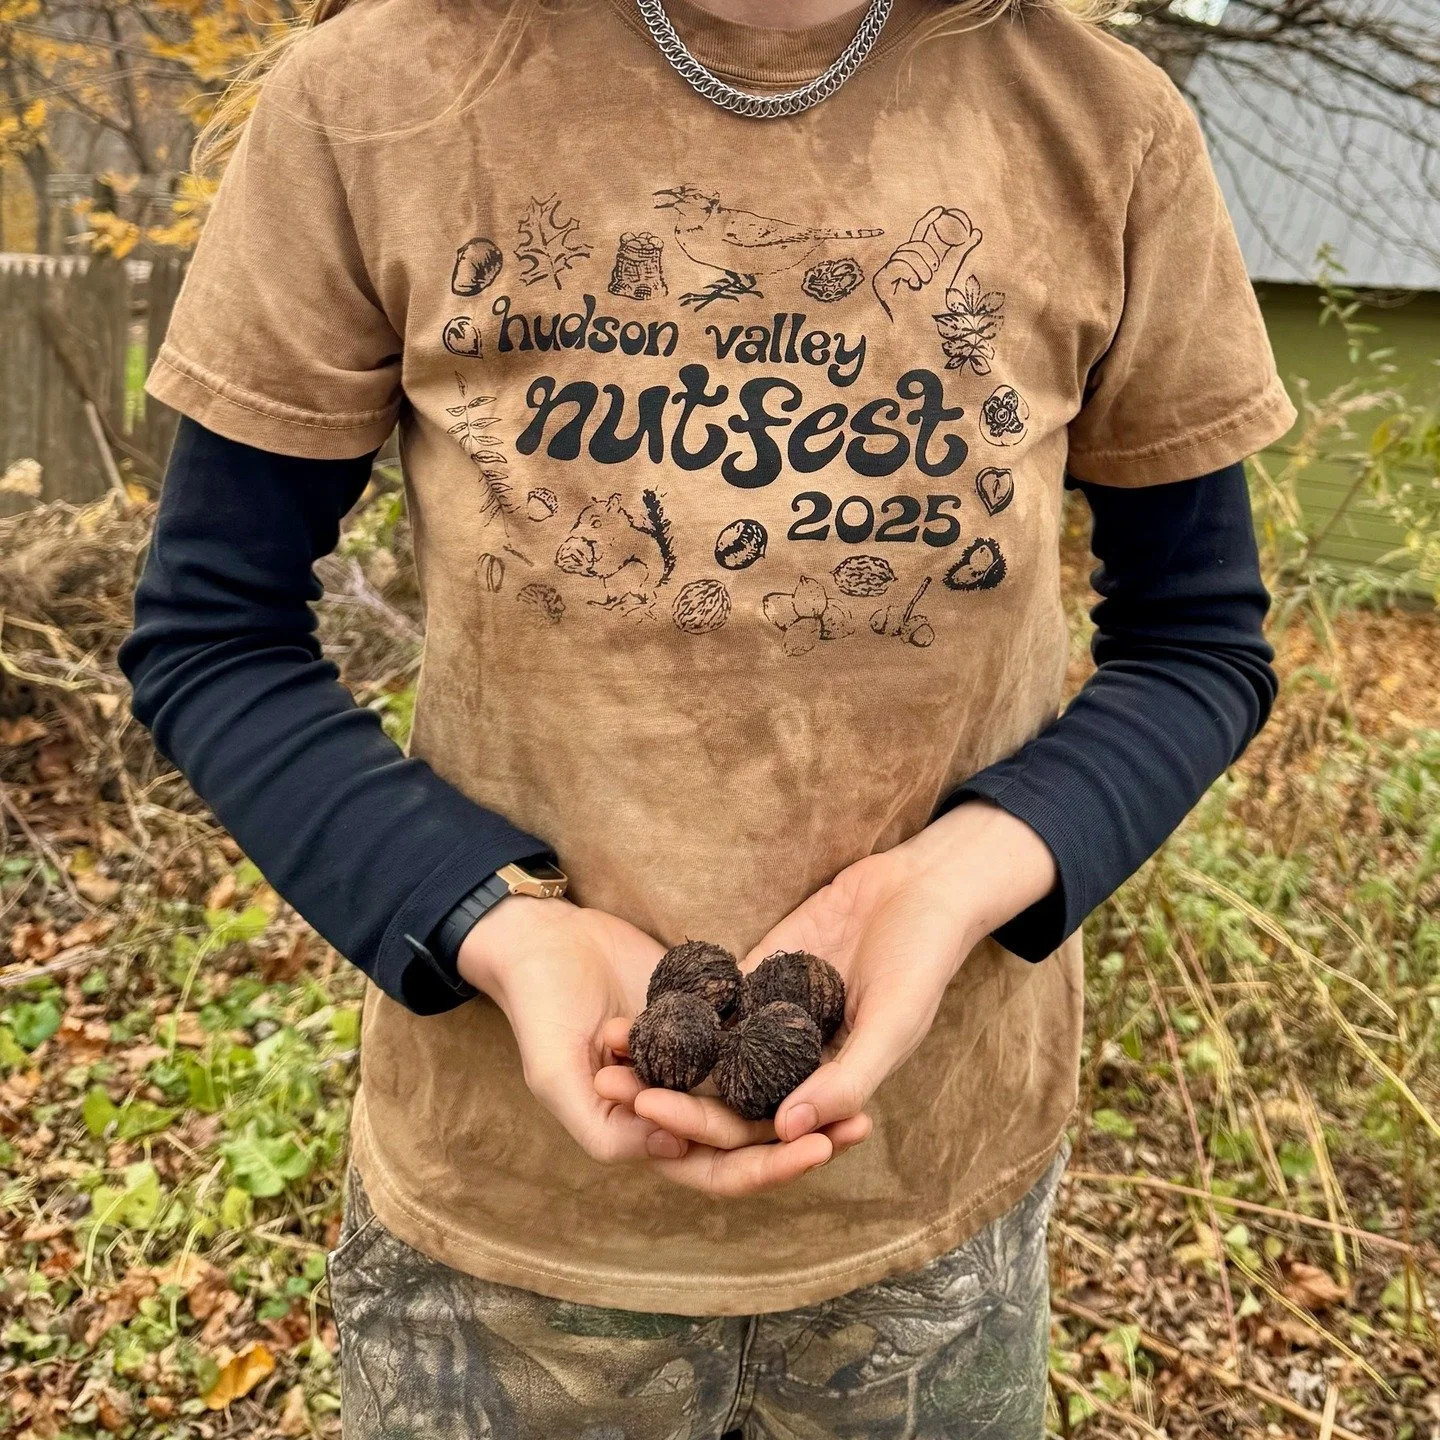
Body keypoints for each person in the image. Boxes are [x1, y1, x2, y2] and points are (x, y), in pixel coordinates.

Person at [120, 0, 1296, 1432]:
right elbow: (213, 635)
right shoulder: (378, 99)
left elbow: (1198, 644)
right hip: (505, 1239)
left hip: (931, 1225)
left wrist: (942, 885)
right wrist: (497, 927)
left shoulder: (1101, 128)